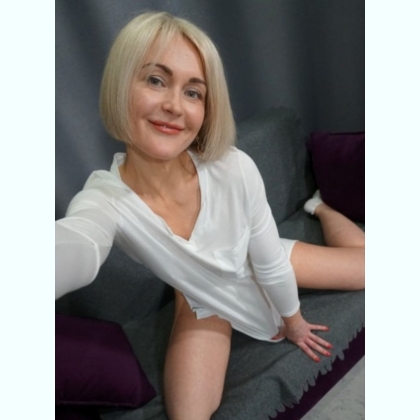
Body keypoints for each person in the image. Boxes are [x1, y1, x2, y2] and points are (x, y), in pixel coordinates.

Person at [55, 11, 365, 420]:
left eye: (193, 92)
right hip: (199, 297)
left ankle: (319, 205)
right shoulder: (105, 199)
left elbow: (269, 261)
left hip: (258, 257)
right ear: (121, 84)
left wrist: (293, 321)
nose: (174, 106)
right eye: (155, 80)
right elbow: (77, 243)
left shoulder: (233, 167)